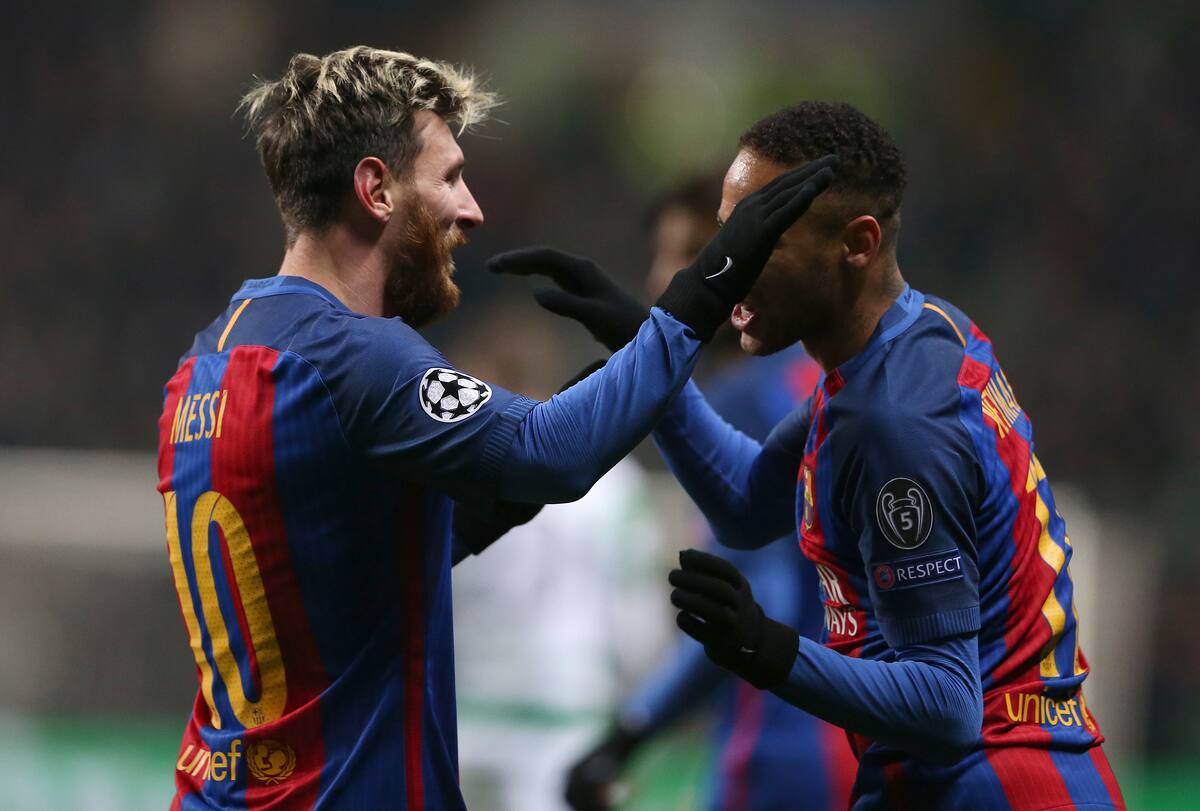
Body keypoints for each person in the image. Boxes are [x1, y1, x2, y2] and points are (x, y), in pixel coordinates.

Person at [154, 46, 834, 810]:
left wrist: (507, 488)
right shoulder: (353, 355)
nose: (471, 209)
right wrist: (704, 289)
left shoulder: (206, 362)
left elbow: (346, 562)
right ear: (375, 188)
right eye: (449, 177)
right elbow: (556, 454)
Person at [512, 101, 1126, 808]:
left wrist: (766, 648)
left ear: (857, 243)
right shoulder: (906, 342)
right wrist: (649, 353)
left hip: (998, 785)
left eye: (762, 239)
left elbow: (948, 704)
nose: (728, 270)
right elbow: (748, 502)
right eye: (729, 235)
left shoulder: (893, 418)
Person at [564, 177, 853, 810]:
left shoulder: (740, 399)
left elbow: (758, 603)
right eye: (662, 254)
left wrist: (630, 731)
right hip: (861, 740)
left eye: (692, 255)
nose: (662, 279)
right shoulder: (824, 380)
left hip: (779, 744)